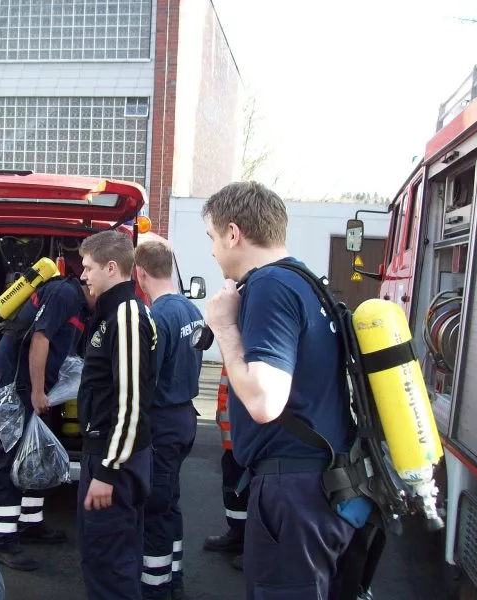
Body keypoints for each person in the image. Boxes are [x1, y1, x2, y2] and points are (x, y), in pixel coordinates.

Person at [202, 181, 356, 598]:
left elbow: (265, 401)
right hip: (326, 485)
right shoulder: (307, 282)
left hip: (293, 495)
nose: (214, 251)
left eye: (214, 238)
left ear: (234, 234)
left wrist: (224, 327)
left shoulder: (270, 286)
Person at [0, 270, 93, 571]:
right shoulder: (65, 294)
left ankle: (30, 523)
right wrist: (35, 390)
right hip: (14, 383)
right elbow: (40, 339)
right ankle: (2, 539)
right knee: (8, 456)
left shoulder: (82, 307)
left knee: (36, 454)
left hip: (36, 388)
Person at [77, 230, 157, 600]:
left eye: (89, 267)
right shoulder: (112, 313)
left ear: (112, 267)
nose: (83, 275)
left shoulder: (126, 314)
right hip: (109, 454)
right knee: (106, 557)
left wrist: (108, 471)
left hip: (115, 462)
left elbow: (130, 401)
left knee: (109, 563)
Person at [134, 241, 204, 600]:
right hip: (185, 418)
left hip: (162, 422)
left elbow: (148, 379)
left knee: (156, 507)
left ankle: (155, 588)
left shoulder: (157, 317)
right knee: (170, 501)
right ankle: (172, 575)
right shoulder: (191, 311)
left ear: (140, 273)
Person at [202, 366, 248, 571]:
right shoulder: (239, 333)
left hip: (251, 434)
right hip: (234, 432)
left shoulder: (254, 335)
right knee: (232, 483)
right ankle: (237, 533)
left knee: (253, 489)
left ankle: (255, 546)